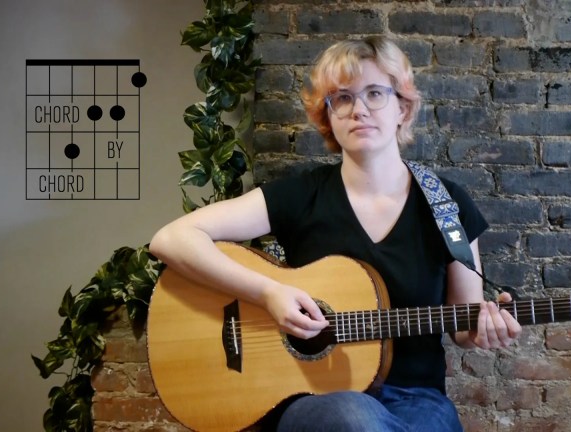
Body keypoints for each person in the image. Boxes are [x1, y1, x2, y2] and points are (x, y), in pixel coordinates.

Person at [150, 35, 522, 432]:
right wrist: (267, 293)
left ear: (402, 107)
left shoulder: (447, 205)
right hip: (316, 399)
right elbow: (171, 239)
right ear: (327, 115)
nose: (359, 109)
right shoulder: (301, 195)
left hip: (416, 399)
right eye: (342, 98)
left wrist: (484, 329)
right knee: (352, 418)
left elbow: (464, 326)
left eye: (375, 93)